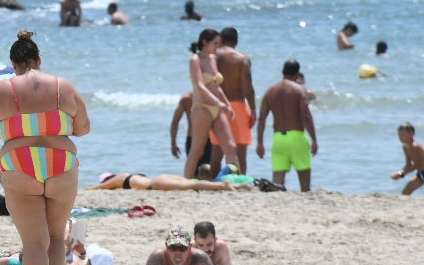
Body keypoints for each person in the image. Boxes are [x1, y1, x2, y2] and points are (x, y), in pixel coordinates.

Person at [0, 29, 90, 265]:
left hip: (19, 163)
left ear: (12, 64)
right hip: (61, 162)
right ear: (39, 59)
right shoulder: (62, 86)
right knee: (56, 237)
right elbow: (83, 128)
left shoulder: (4, 89)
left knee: (33, 243)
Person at [255, 60, 318, 192]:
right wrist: (314, 140)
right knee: (305, 187)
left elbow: (261, 119)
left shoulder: (270, 91)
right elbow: (306, 116)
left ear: (283, 72)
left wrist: (260, 143)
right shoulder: (299, 90)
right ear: (297, 74)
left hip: (278, 139)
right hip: (297, 138)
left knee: (277, 185)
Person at [184, 28, 238, 179]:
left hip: (217, 108)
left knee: (230, 147)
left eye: (219, 43)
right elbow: (200, 86)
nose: (218, 47)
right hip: (202, 108)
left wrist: (226, 104)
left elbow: (216, 86)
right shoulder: (195, 60)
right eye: (215, 43)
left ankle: (233, 180)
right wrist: (217, 103)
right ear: (205, 42)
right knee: (197, 150)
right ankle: (186, 183)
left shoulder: (213, 59)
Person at [215, 27, 256, 174]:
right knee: (240, 152)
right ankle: (240, 181)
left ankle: (216, 184)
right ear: (236, 41)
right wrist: (253, 110)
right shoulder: (242, 59)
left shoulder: (213, 57)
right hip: (238, 105)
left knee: (217, 151)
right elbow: (248, 88)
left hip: (218, 105)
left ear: (221, 40)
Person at [168, 91, 214, 170]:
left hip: (194, 139)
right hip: (208, 139)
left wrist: (173, 143)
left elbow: (175, 121)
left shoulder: (187, 98)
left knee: (194, 173)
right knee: (210, 174)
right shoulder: (213, 97)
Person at [391, 123, 424, 195]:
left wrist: (400, 174)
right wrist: (399, 173)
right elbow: (408, 164)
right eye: (399, 135)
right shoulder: (405, 147)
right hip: (420, 174)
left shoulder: (415, 146)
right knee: (405, 192)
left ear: (411, 134)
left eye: (403, 135)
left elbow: (416, 165)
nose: (400, 137)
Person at [91, 172, 248, 192]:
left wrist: (91, 188)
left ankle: (223, 185)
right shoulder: (129, 176)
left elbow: (100, 187)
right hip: (159, 178)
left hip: (157, 184)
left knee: (191, 185)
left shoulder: (120, 178)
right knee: (191, 183)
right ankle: (237, 185)